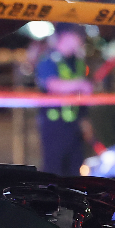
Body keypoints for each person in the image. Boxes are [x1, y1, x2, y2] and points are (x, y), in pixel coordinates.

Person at [36, 25, 94, 176]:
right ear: (65, 36)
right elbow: (51, 83)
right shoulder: (49, 59)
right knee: (54, 170)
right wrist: (79, 84)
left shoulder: (78, 62)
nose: (80, 42)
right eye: (77, 37)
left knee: (75, 169)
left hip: (74, 123)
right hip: (54, 124)